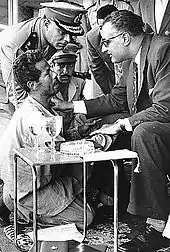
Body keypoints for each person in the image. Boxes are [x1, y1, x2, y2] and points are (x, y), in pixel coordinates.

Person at [87, 10, 170, 252]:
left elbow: (166, 108)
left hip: (160, 124)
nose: (104, 49)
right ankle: (113, 202)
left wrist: (125, 123)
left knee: (144, 133)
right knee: (107, 124)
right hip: (155, 124)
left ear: (124, 38)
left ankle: (155, 226)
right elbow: (117, 100)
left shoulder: (162, 50)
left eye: (107, 41)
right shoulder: (130, 62)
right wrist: (75, 108)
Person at [0, 49, 94, 230]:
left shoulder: (42, 107)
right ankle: (24, 214)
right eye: (47, 73)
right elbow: (62, 150)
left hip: (41, 182)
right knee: (86, 217)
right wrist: (101, 138)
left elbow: (56, 143)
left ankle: (53, 204)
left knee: (83, 176)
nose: (55, 74)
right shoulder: (33, 116)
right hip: (26, 193)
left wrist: (80, 131)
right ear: (33, 84)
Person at [0, 0, 86, 135]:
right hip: (4, 97)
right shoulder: (16, 43)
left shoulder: (52, 38)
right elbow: (18, 96)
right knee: (17, 138)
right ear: (46, 23)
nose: (68, 39)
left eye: (71, 34)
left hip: (19, 93)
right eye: (62, 32)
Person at [86, 1, 133, 96]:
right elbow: (97, 69)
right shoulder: (92, 38)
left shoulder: (129, 33)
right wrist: (112, 93)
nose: (103, 32)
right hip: (113, 79)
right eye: (100, 27)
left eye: (107, 27)